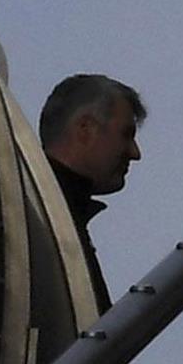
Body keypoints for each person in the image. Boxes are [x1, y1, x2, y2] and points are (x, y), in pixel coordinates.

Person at [38, 74, 145, 305]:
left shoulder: (45, 209)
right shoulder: (37, 217)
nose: (135, 153)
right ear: (85, 128)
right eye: (126, 135)